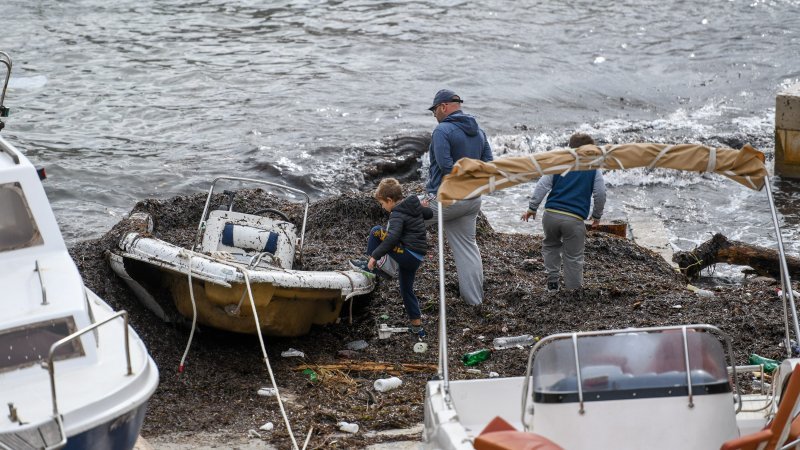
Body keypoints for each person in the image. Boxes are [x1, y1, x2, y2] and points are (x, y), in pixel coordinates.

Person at [423, 89, 493, 307]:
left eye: (434, 110)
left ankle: (381, 266)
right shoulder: (479, 132)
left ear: (443, 107)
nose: (434, 115)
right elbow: (488, 164)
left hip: (446, 199)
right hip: (472, 200)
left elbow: (445, 165)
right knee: (467, 248)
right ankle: (474, 301)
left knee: (403, 216)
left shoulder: (442, 131)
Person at [521, 133, 606, 292]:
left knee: (551, 245)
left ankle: (553, 281)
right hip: (574, 219)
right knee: (573, 256)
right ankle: (573, 290)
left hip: (550, 215)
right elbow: (600, 193)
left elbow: (542, 185)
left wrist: (532, 208)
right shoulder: (593, 169)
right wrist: (596, 216)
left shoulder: (559, 163)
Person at [350, 178, 432, 338]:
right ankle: (417, 327)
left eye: (382, 203)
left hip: (408, 254)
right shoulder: (413, 205)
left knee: (376, 231)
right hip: (416, 257)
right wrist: (423, 208)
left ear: (389, 200)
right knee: (406, 290)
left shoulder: (397, 213)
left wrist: (374, 256)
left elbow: (392, 238)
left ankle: (372, 266)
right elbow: (429, 214)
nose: (382, 207)